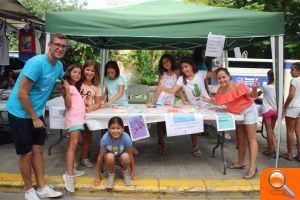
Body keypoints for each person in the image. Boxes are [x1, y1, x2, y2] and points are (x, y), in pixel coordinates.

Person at [5, 33, 67, 200]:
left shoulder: (59, 66)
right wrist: (34, 117)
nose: (60, 48)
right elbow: (22, 94)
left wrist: (66, 87)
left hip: (36, 114)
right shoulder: (37, 64)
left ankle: (41, 187)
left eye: (63, 46)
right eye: (57, 44)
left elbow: (62, 78)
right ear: (50, 46)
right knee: (26, 153)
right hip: (20, 112)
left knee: (38, 150)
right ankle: (29, 190)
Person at [201, 68, 259, 179]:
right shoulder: (220, 90)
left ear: (229, 76)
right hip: (237, 114)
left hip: (249, 110)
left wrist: (255, 88)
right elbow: (217, 101)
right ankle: (240, 163)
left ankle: (253, 168)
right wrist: (205, 99)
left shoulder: (238, 85)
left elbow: (252, 95)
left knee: (251, 139)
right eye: (219, 78)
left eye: (224, 77)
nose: (222, 80)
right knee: (240, 140)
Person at [161, 57, 213, 159]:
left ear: (191, 66)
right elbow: (172, 90)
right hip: (194, 107)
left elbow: (215, 74)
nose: (184, 69)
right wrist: (164, 88)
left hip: (207, 104)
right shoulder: (181, 79)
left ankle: (224, 133)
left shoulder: (200, 74)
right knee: (195, 125)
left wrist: (219, 69)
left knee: (217, 119)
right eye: (182, 68)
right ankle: (195, 147)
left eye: (186, 66)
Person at [147, 54, 187, 155]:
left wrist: (184, 102)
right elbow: (159, 88)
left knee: (166, 123)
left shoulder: (177, 72)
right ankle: (162, 145)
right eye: (163, 63)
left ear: (171, 61)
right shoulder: (162, 73)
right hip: (160, 101)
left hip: (170, 102)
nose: (166, 64)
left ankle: (161, 139)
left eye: (167, 61)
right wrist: (153, 101)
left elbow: (180, 89)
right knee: (159, 123)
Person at [62, 63, 85, 192]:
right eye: (74, 72)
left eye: (79, 73)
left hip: (78, 119)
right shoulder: (68, 87)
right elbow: (69, 104)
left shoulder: (73, 87)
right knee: (73, 145)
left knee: (74, 144)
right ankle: (69, 175)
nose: (77, 74)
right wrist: (66, 89)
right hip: (74, 120)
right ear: (69, 73)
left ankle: (73, 169)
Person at [94, 116, 135, 189]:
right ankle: (111, 174)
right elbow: (100, 156)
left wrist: (132, 172)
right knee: (109, 156)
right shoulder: (105, 138)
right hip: (109, 160)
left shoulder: (126, 138)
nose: (115, 131)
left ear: (122, 129)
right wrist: (97, 175)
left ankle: (125, 173)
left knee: (126, 156)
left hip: (121, 159)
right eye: (112, 128)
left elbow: (130, 155)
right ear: (108, 129)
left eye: (118, 128)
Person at [79, 60, 101, 168]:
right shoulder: (78, 82)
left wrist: (89, 108)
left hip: (87, 115)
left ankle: (84, 158)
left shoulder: (96, 86)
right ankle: (73, 162)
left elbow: (98, 104)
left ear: (96, 73)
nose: (89, 72)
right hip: (74, 115)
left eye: (93, 70)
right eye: (87, 69)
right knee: (74, 139)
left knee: (87, 137)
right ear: (83, 70)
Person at [282, 62, 300, 161]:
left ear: (298, 71)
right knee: (299, 131)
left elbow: (291, 95)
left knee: (290, 131)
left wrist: (285, 105)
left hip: (293, 107)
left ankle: (289, 154)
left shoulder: (294, 80)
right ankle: (299, 154)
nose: (290, 71)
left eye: (292, 69)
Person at [258, 70, 277, 157]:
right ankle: (274, 149)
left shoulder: (265, 87)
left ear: (269, 77)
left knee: (269, 131)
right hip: (276, 111)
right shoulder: (280, 87)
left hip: (267, 110)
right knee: (272, 131)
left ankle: (270, 150)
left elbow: (256, 95)